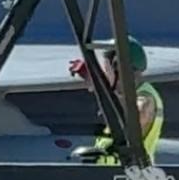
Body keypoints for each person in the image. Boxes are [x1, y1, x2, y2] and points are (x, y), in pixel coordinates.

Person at [70, 37, 163, 165]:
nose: (105, 72)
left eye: (106, 67)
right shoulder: (131, 96)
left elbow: (133, 121)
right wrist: (95, 79)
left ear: (118, 66)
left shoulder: (145, 99)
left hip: (128, 177)